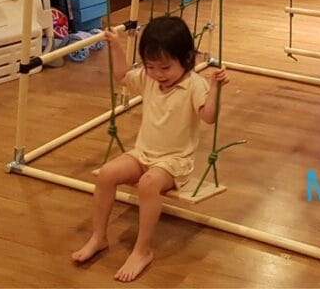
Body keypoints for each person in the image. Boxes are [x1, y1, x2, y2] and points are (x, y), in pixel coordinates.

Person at [71, 16, 228, 281]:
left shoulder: (194, 85)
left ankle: (142, 250)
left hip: (174, 162)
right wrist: (116, 46)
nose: (158, 74)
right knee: (107, 173)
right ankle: (99, 237)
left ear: (187, 59)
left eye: (165, 67)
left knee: (148, 184)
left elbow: (209, 117)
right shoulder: (148, 79)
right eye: (150, 66)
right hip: (143, 154)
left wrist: (214, 89)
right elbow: (122, 76)